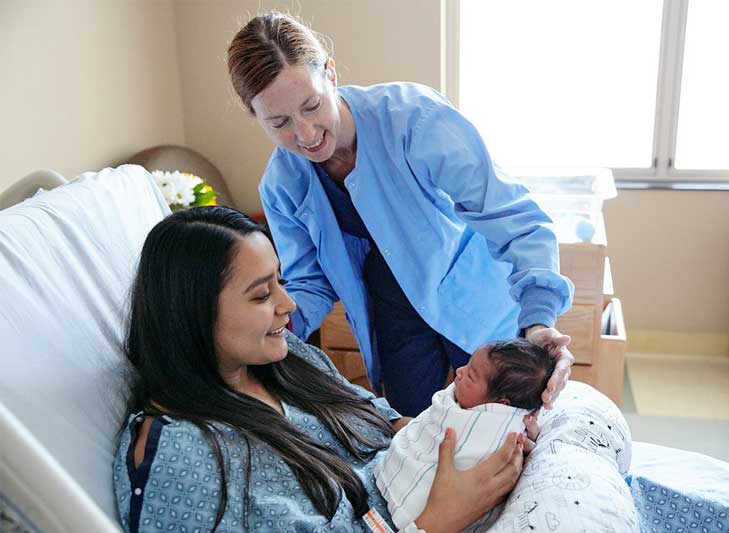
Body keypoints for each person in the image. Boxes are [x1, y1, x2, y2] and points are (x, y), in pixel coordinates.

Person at [226, 12, 576, 416]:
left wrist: (538, 318)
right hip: (391, 313)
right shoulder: (281, 185)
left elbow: (515, 221)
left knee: (499, 423)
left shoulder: (416, 120)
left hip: (472, 295)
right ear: (255, 117)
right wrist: (270, 329)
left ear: (331, 74)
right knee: (409, 431)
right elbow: (311, 283)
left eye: (311, 106)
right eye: (280, 122)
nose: (305, 134)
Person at [113, 206, 532, 533]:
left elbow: (386, 421)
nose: (288, 305)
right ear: (193, 314)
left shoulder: (288, 359)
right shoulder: (179, 457)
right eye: (262, 295)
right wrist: (442, 518)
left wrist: (481, 431)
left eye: (280, 281)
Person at [375, 338, 555, 531]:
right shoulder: (455, 400)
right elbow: (428, 427)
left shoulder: (504, 429)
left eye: (471, 375)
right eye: (468, 365)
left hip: (419, 511)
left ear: (501, 404)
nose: (459, 371)